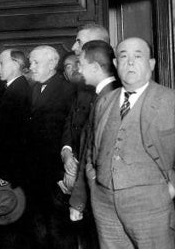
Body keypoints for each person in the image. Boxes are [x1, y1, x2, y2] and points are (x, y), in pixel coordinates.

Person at [89, 37, 175, 248]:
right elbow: (92, 150)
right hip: (104, 204)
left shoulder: (169, 100)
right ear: (116, 64)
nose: (130, 63)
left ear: (151, 64)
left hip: (151, 203)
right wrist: (94, 182)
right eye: (123, 57)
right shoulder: (105, 101)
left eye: (138, 56)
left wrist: (170, 189)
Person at [25, 46, 76, 249]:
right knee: (38, 233)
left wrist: (61, 174)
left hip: (56, 175)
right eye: (30, 62)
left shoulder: (68, 90)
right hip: (34, 176)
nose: (31, 67)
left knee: (59, 233)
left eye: (36, 62)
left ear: (53, 63)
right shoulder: (34, 88)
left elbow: (69, 133)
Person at [68, 41, 118, 221]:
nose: (78, 70)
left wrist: (78, 200)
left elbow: (91, 151)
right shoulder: (103, 94)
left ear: (96, 67)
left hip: (103, 196)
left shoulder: (108, 97)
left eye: (81, 64)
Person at [0, 49, 31, 248]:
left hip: (11, 174)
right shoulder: (13, 89)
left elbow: (15, 138)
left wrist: (5, 173)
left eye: (1, 63)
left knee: (12, 232)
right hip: (10, 172)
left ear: (15, 64)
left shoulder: (18, 91)